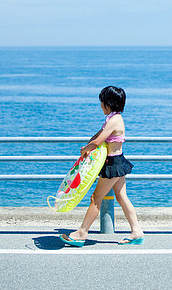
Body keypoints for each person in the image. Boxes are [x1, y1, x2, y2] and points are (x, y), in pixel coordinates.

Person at [60, 86, 144, 247]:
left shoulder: (115, 120)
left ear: (108, 103)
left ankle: (81, 233)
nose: (100, 105)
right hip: (116, 161)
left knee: (95, 199)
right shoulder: (113, 118)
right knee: (121, 197)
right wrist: (88, 145)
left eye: (102, 102)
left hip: (113, 164)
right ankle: (137, 231)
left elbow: (99, 141)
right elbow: (98, 135)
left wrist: (85, 149)